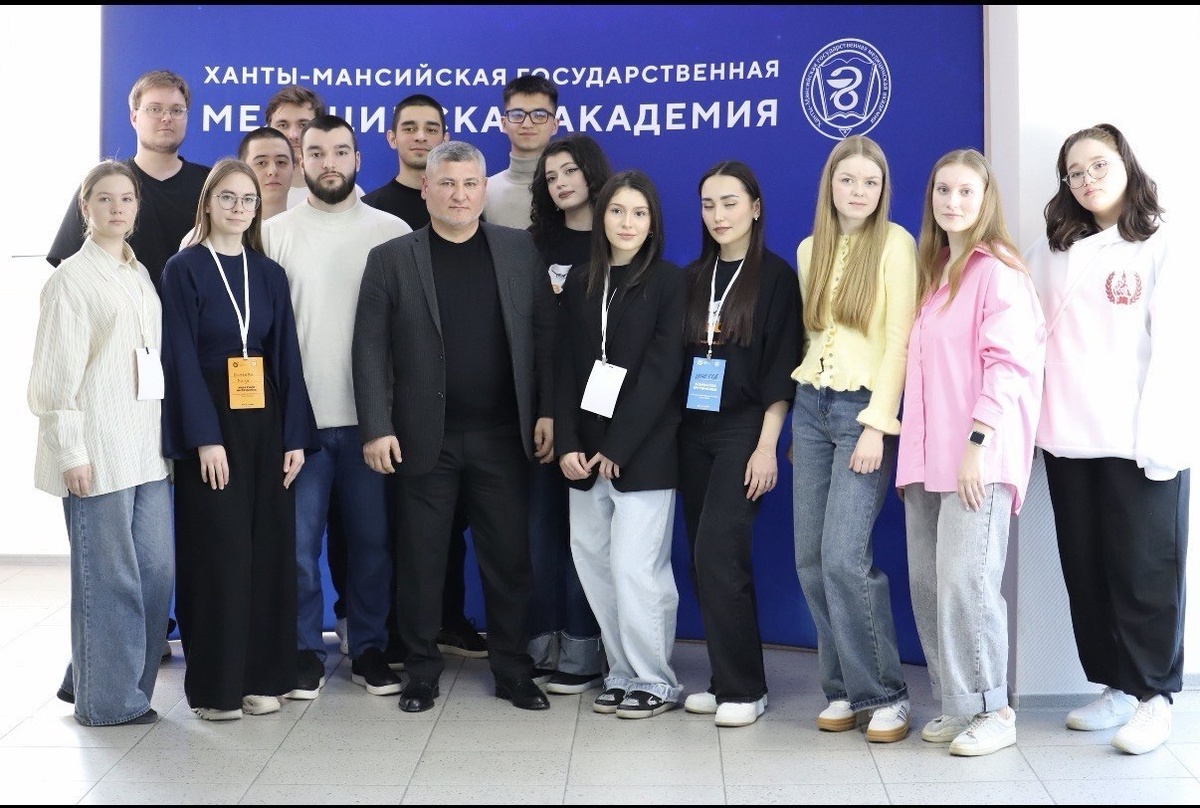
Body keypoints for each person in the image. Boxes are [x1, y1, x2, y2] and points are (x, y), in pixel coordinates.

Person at [353, 140, 554, 714]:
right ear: (426, 190)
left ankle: (513, 669)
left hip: (503, 436)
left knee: (508, 560)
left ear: (484, 190)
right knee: (421, 562)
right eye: (446, 183)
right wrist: (376, 427)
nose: (459, 195)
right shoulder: (391, 258)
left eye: (469, 184)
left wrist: (548, 411)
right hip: (423, 438)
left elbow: (546, 336)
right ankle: (421, 671)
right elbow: (369, 349)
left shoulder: (518, 250)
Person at [1027, 123, 1192, 756]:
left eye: (1098, 165)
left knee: (1145, 569)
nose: (1088, 179)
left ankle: (1155, 697)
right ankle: (1116, 686)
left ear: (1126, 164)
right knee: (1087, 568)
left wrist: (1164, 442)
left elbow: (1177, 349)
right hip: (1068, 438)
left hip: (1137, 439)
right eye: (1075, 172)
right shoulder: (1051, 250)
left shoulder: (1160, 244)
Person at [896, 148, 1046, 756]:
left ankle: (992, 709)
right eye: (943, 190)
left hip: (976, 455)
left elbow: (1009, 365)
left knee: (967, 583)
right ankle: (959, 705)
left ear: (986, 201)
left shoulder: (998, 269)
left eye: (965, 191)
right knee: (929, 584)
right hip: (927, 458)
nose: (952, 202)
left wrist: (977, 444)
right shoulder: (935, 273)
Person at [161, 158, 319, 720]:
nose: (237, 207)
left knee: (269, 552)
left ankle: (263, 678)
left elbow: (287, 357)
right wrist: (204, 439)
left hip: (265, 424)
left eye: (247, 199)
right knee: (219, 554)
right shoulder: (183, 268)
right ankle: (216, 689)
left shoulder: (269, 273)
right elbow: (179, 357)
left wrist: (294, 437)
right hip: (212, 424)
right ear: (207, 202)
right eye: (226, 197)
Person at [262, 115, 412, 701]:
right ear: (301, 161)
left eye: (341, 151)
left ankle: (369, 647)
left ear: (358, 159)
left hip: (370, 422)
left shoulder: (392, 231)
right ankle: (304, 650)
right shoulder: (273, 233)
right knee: (298, 550)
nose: (330, 162)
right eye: (317, 152)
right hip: (299, 425)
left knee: (372, 546)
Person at [29, 160, 173, 727]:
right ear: (84, 208)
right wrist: (70, 453)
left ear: (137, 208)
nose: (117, 208)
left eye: (127, 198)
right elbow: (52, 381)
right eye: (105, 199)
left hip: (147, 450)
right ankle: (110, 702)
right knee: (108, 581)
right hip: (97, 451)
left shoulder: (139, 274)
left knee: (155, 576)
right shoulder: (70, 280)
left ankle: (88, 678)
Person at [790, 135, 917, 742]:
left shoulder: (896, 243)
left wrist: (876, 423)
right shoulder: (808, 248)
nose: (859, 191)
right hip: (809, 408)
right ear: (830, 185)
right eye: (848, 180)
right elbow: (812, 338)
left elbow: (899, 341)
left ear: (882, 188)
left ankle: (886, 694)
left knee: (844, 557)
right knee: (810, 561)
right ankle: (841, 688)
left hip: (862, 413)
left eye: (870, 181)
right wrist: (801, 424)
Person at [555, 170, 687, 719]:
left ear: (652, 222)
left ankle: (655, 679)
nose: (626, 223)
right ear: (601, 217)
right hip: (584, 454)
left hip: (643, 451)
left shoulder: (670, 282)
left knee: (637, 568)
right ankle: (621, 671)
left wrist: (619, 446)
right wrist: (567, 443)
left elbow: (662, 372)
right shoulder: (582, 281)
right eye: (616, 211)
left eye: (638, 213)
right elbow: (563, 366)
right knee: (595, 563)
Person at [361, 92, 488, 662]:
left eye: (430, 127)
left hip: (476, 416)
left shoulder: (487, 232)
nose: (419, 136)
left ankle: (450, 620)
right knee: (406, 535)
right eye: (408, 127)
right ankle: (399, 637)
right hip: (410, 409)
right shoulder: (377, 215)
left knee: (460, 531)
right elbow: (374, 335)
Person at [678, 161, 801, 728]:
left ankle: (746, 689)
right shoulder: (693, 276)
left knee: (718, 554)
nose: (718, 215)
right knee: (704, 561)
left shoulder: (775, 278)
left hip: (744, 430)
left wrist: (766, 446)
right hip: (693, 431)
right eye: (708, 204)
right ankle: (725, 679)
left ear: (754, 207)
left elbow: (781, 369)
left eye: (730, 203)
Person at [525, 134, 611, 694]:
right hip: (540, 410)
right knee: (539, 534)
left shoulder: (617, 236)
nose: (560, 183)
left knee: (589, 538)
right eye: (551, 176)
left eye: (570, 171)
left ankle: (583, 648)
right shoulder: (532, 244)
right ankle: (539, 641)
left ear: (592, 173)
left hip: (598, 411)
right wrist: (546, 410)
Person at [47, 70, 209, 291]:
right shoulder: (104, 184)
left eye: (177, 110)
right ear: (134, 116)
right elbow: (69, 267)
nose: (166, 118)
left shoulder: (211, 185)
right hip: (119, 312)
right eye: (154, 109)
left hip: (197, 312)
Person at [265, 85, 362, 209]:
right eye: (283, 125)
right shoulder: (249, 189)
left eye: (303, 125)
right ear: (269, 130)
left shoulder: (351, 194)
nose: (293, 135)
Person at [482, 74, 559, 229]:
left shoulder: (570, 189)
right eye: (517, 115)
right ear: (504, 123)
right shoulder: (484, 191)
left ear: (554, 125)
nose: (527, 124)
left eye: (539, 115)